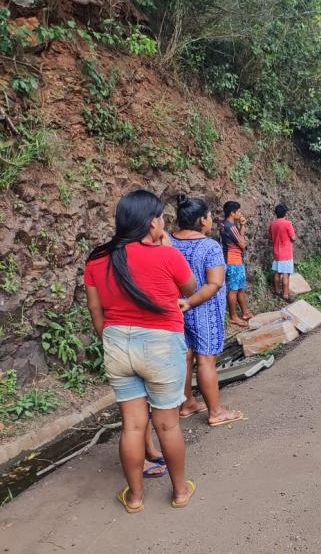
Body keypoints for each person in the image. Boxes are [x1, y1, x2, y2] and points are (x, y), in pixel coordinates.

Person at [84, 190, 197, 513]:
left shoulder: (97, 259)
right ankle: (179, 492)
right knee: (167, 424)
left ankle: (134, 497)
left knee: (132, 426)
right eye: (161, 217)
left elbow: (96, 313)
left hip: (117, 342)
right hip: (161, 345)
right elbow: (190, 289)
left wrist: (114, 340)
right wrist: (169, 248)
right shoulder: (166, 255)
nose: (164, 223)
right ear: (152, 223)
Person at [171, 195, 244, 427]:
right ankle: (215, 412)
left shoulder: (169, 242)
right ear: (202, 220)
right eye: (210, 216)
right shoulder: (209, 246)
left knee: (185, 356)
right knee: (206, 360)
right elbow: (214, 284)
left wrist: (184, 302)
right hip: (203, 310)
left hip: (176, 309)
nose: (212, 219)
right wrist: (192, 302)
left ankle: (187, 403)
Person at [219, 201, 253, 327]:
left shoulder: (223, 225)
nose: (240, 213)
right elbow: (242, 244)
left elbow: (238, 238)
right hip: (233, 261)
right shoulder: (231, 227)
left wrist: (242, 226)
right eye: (238, 211)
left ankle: (245, 313)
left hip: (231, 260)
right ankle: (233, 317)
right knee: (233, 290)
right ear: (232, 213)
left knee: (239, 289)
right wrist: (241, 229)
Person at [269, 203, 297, 301]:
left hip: (276, 253)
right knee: (286, 274)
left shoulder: (272, 224)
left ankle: (277, 291)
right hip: (286, 253)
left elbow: (271, 238)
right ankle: (285, 295)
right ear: (285, 213)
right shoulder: (288, 223)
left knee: (277, 273)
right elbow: (293, 238)